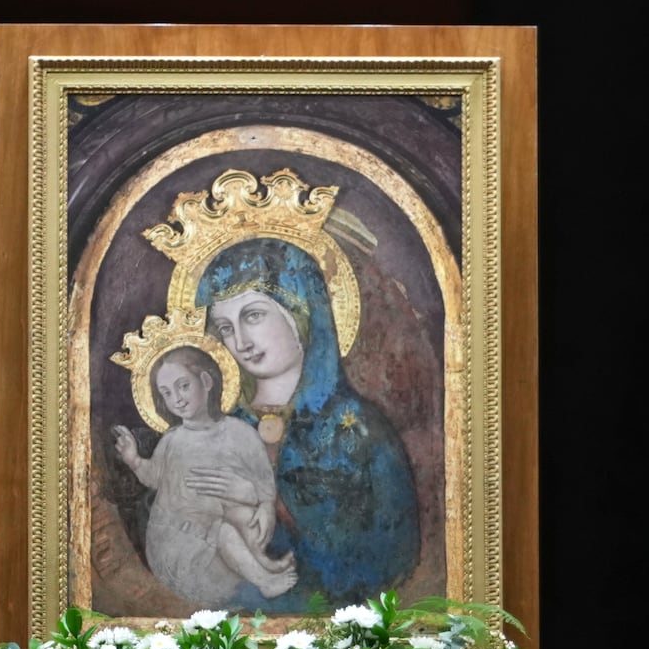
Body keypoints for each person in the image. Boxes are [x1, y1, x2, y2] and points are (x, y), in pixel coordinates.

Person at [194, 237, 420, 612]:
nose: (241, 342)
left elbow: (394, 552)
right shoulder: (216, 429)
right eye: (225, 327)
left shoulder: (360, 429)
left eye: (253, 316)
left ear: (300, 312)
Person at [113, 345, 298, 605]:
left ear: (206, 381)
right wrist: (133, 459)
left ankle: (263, 562)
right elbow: (153, 478)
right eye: (166, 393)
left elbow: (263, 480)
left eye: (183, 386)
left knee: (244, 515)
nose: (176, 398)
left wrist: (266, 505)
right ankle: (264, 580)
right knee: (223, 530)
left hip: (217, 530)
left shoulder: (240, 433)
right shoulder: (172, 441)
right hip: (178, 540)